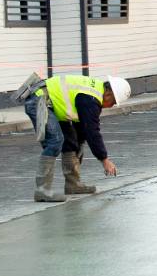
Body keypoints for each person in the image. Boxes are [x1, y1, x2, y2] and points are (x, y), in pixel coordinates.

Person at [20, 72, 130, 203]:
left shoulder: (94, 94)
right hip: (39, 100)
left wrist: (80, 142)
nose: (111, 106)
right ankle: (42, 191)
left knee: (72, 140)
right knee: (55, 141)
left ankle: (73, 185)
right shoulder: (91, 99)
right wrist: (104, 159)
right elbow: (92, 132)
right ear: (108, 94)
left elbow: (83, 129)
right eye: (113, 103)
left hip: (53, 104)